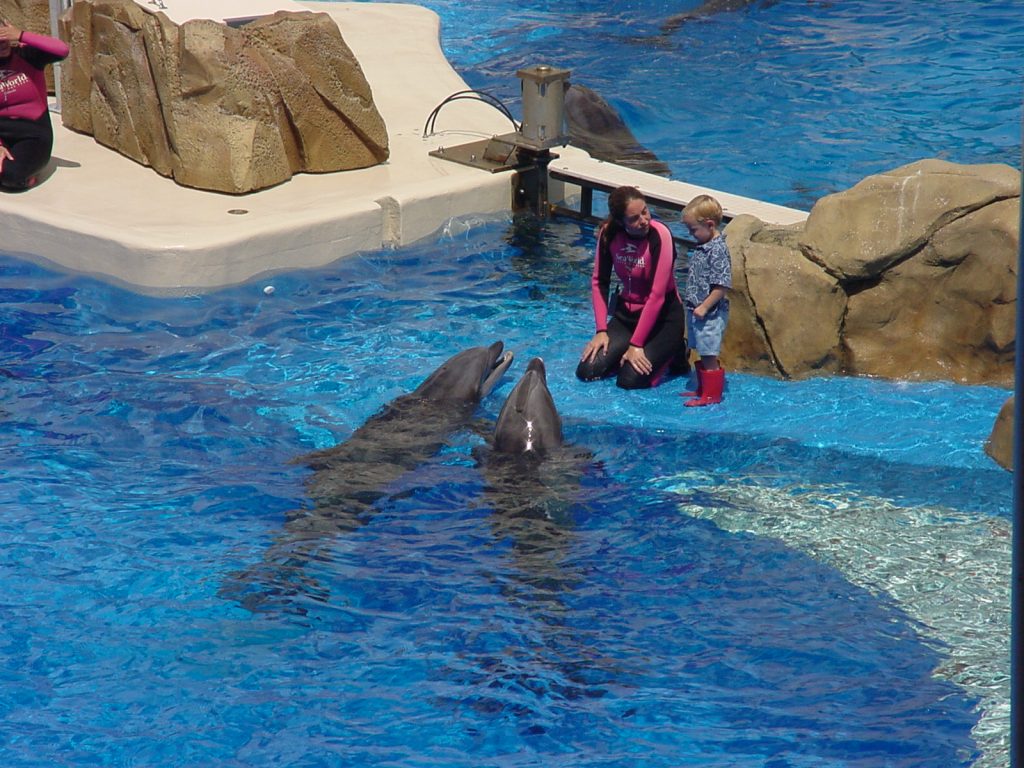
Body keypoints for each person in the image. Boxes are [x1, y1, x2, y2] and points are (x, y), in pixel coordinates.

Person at [576, 185, 685, 389]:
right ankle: (628, 348)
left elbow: (657, 296)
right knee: (587, 371)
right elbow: (599, 281)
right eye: (634, 218)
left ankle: (677, 348)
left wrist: (636, 345)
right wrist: (601, 330)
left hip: (664, 320)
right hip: (627, 317)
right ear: (620, 221)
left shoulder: (660, 235)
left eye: (645, 211)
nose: (644, 220)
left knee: (629, 381)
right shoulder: (609, 233)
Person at [0, 20, 69, 191]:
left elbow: (63, 50)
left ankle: (26, 175)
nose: (2, 44)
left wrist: (22, 35)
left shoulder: (27, 56)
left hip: (32, 132)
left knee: (12, 176)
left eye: (4, 38)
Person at [680, 194, 731, 406]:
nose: (691, 235)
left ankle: (711, 395)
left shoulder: (717, 250)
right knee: (702, 349)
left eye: (693, 230)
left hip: (709, 314)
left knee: (709, 353)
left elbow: (722, 286)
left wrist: (704, 306)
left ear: (709, 225)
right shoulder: (704, 245)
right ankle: (703, 388)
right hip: (697, 311)